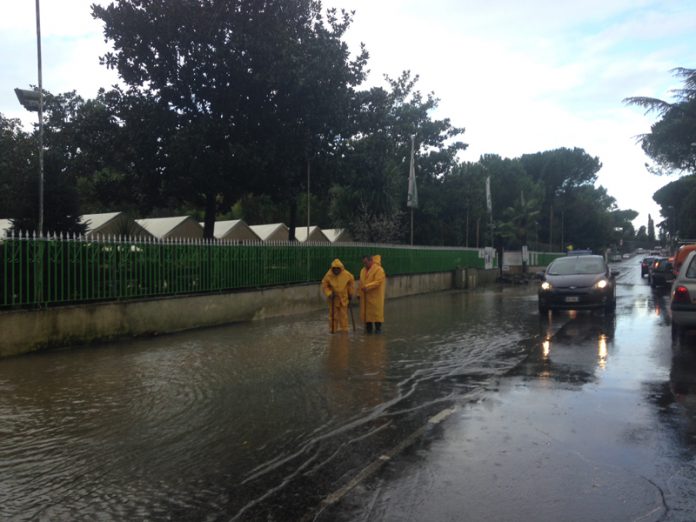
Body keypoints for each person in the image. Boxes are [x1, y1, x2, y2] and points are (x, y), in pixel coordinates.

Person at [321, 258, 355, 333]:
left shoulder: (347, 274)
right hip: (333, 299)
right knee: (333, 316)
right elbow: (324, 285)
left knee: (343, 316)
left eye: (337, 268)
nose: (336, 270)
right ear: (332, 268)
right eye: (334, 269)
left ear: (341, 268)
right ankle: (333, 330)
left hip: (343, 298)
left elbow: (351, 282)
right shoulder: (328, 275)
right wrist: (329, 293)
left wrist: (350, 292)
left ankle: (344, 331)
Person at [359, 254, 386, 333]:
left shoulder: (379, 270)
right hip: (365, 297)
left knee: (377, 315)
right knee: (367, 316)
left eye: (366, 262)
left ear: (371, 261)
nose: (365, 265)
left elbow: (378, 282)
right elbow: (361, 283)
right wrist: (358, 293)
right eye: (363, 263)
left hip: (376, 297)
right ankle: (369, 331)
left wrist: (367, 286)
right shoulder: (362, 270)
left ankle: (378, 330)